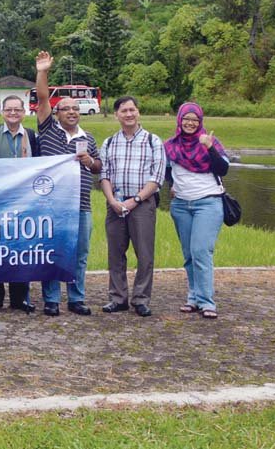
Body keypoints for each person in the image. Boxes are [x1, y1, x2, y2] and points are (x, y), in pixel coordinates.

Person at [34, 50, 102, 317]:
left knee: (79, 255)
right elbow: (41, 98)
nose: (72, 112)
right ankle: (51, 299)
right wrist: (43, 72)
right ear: (57, 112)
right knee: (52, 252)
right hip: (51, 205)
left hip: (82, 205)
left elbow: (98, 168)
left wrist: (89, 161)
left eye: (76, 109)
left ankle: (76, 298)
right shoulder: (48, 129)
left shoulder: (89, 138)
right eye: (66, 109)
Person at [98, 96, 166, 318]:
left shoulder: (152, 141)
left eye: (132, 110)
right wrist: (112, 201)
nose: (129, 114)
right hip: (115, 204)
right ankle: (117, 298)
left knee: (144, 254)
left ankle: (141, 299)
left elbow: (157, 177)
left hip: (142, 204)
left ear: (138, 113)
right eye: (124, 111)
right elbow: (104, 175)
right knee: (115, 254)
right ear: (117, 114)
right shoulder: (109, 143)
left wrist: (135, 200)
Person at [0, 94, 40, 313]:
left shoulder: (31, 136)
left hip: (24, 203)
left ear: (24, 112)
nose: (13, 113)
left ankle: (20, 297)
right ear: (2, 112)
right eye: (8, 109)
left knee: (21, 249)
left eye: (17, 110)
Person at [165, 102, 230, 319]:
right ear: (179, 120)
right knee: (189, 254)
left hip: (208, 203)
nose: (190, 123)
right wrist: (172, 185)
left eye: (194, 119)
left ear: (200, 121)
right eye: (186, 118)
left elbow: (223, 169)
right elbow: (164, 170)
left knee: (201, 251)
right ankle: (193, 297)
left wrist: (209, 147)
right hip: (181, 205)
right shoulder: (171, 145)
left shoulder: (210, 142)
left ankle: (206, 301)